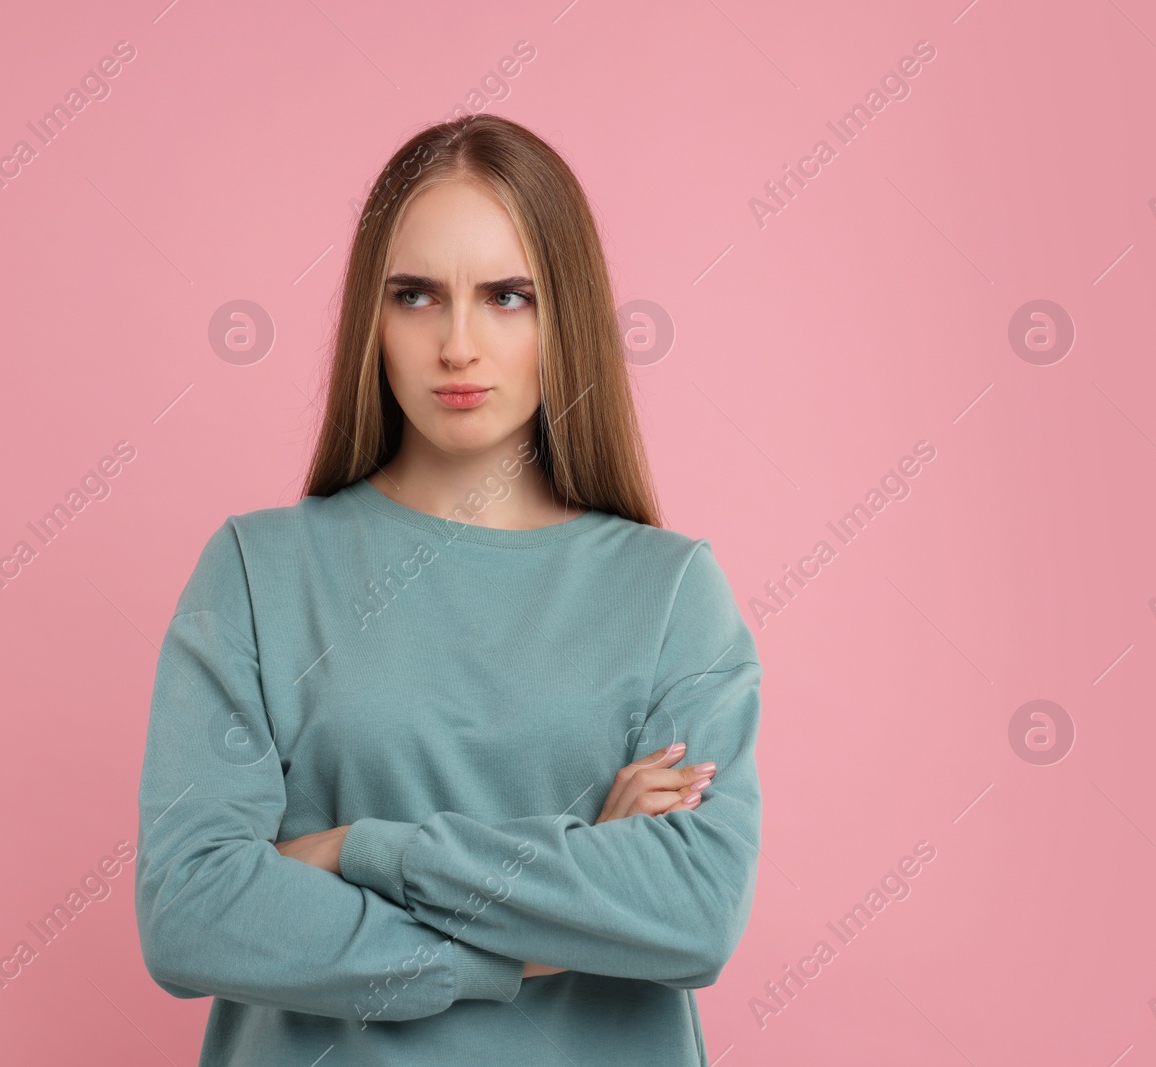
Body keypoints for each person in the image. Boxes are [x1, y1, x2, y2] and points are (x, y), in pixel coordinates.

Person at [134, 113, 763, 1066]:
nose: (458, 343)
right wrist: (561, 916)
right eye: (417, 295)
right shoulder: (257, 571)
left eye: (508, 296)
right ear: (370, 319)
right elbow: (190, 914)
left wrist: (357, 850)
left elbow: (692, 911)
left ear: (567, 315)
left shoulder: (671, 591)